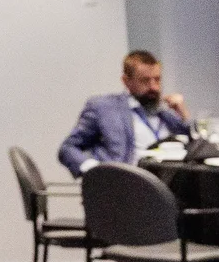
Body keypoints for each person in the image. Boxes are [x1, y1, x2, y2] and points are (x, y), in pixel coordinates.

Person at [58, 50, 192, 173]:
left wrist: (183, 114)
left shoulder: (164, 114)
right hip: (124, 186)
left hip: (168, 185)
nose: (153, 87)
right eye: (145, 80)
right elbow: (68, 148)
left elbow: (196, 145)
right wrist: (94, 170)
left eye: (157, 79)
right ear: (126, 81)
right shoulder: (104, 108)